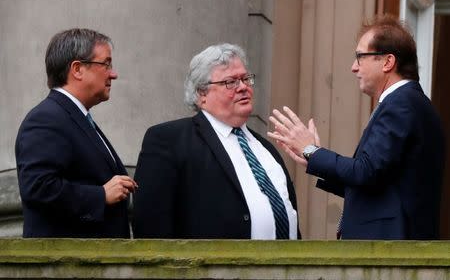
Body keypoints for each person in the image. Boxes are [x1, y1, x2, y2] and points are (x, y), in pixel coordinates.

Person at [268, 15, 445, 240]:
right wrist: (314, 159)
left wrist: (314, 152)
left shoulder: (401, 104)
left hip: (387, 248)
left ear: (388, 62)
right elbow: (376, 182)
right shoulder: (411, 103)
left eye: (360, 57)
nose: (353, 67)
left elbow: (365, 171)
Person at [133, 43, 299, 239]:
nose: (243, 87)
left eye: (246, 79)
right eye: (231, 82)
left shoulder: (266, 148)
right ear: (202, 93)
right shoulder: (169, 140)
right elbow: (151, 226)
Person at [15, 28, 137, 238]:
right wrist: (100, 196)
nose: (113, 73)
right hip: (68, 266)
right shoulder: (46, 118)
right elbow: (38, 187)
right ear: (78, 69)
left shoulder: (73, 117)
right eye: (106, 64)